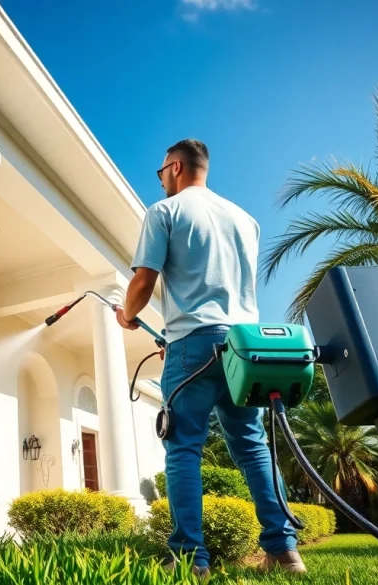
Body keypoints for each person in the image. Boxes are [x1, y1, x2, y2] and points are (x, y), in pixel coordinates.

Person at [116, 139, 304, 578]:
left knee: (183, 448)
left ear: (176, 167)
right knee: (254, 449)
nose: (161, 179)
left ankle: (189, 557)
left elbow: (144, 281)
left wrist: (127, 316)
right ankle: (284, 552)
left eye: (161, 171)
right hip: (247, 347)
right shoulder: (246, 220)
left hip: (192, 348)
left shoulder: (164, 212)